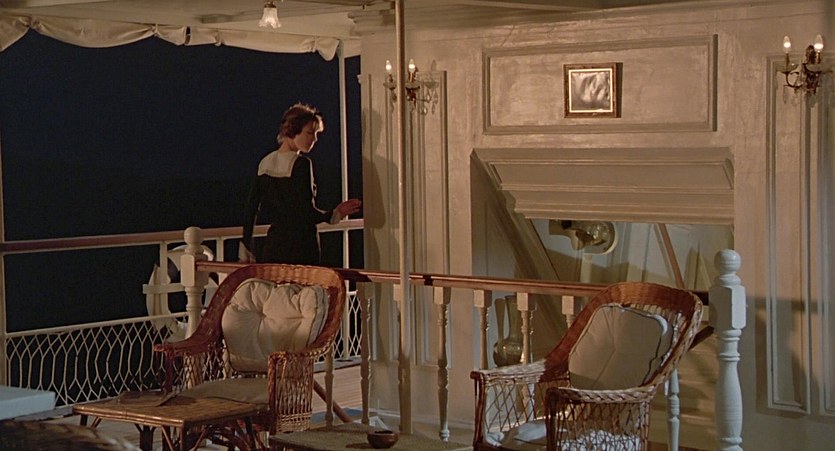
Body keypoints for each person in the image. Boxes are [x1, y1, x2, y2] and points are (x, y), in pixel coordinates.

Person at [239, 103, 361, 265]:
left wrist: (246, 245)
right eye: (310, 133)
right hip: (301, 247)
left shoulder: (265, 163)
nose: (314, 139)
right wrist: (334, 214)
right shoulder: (301, 164)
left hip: (274, 246)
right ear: (293, 130)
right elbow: (304, 212)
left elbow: (251, 209)